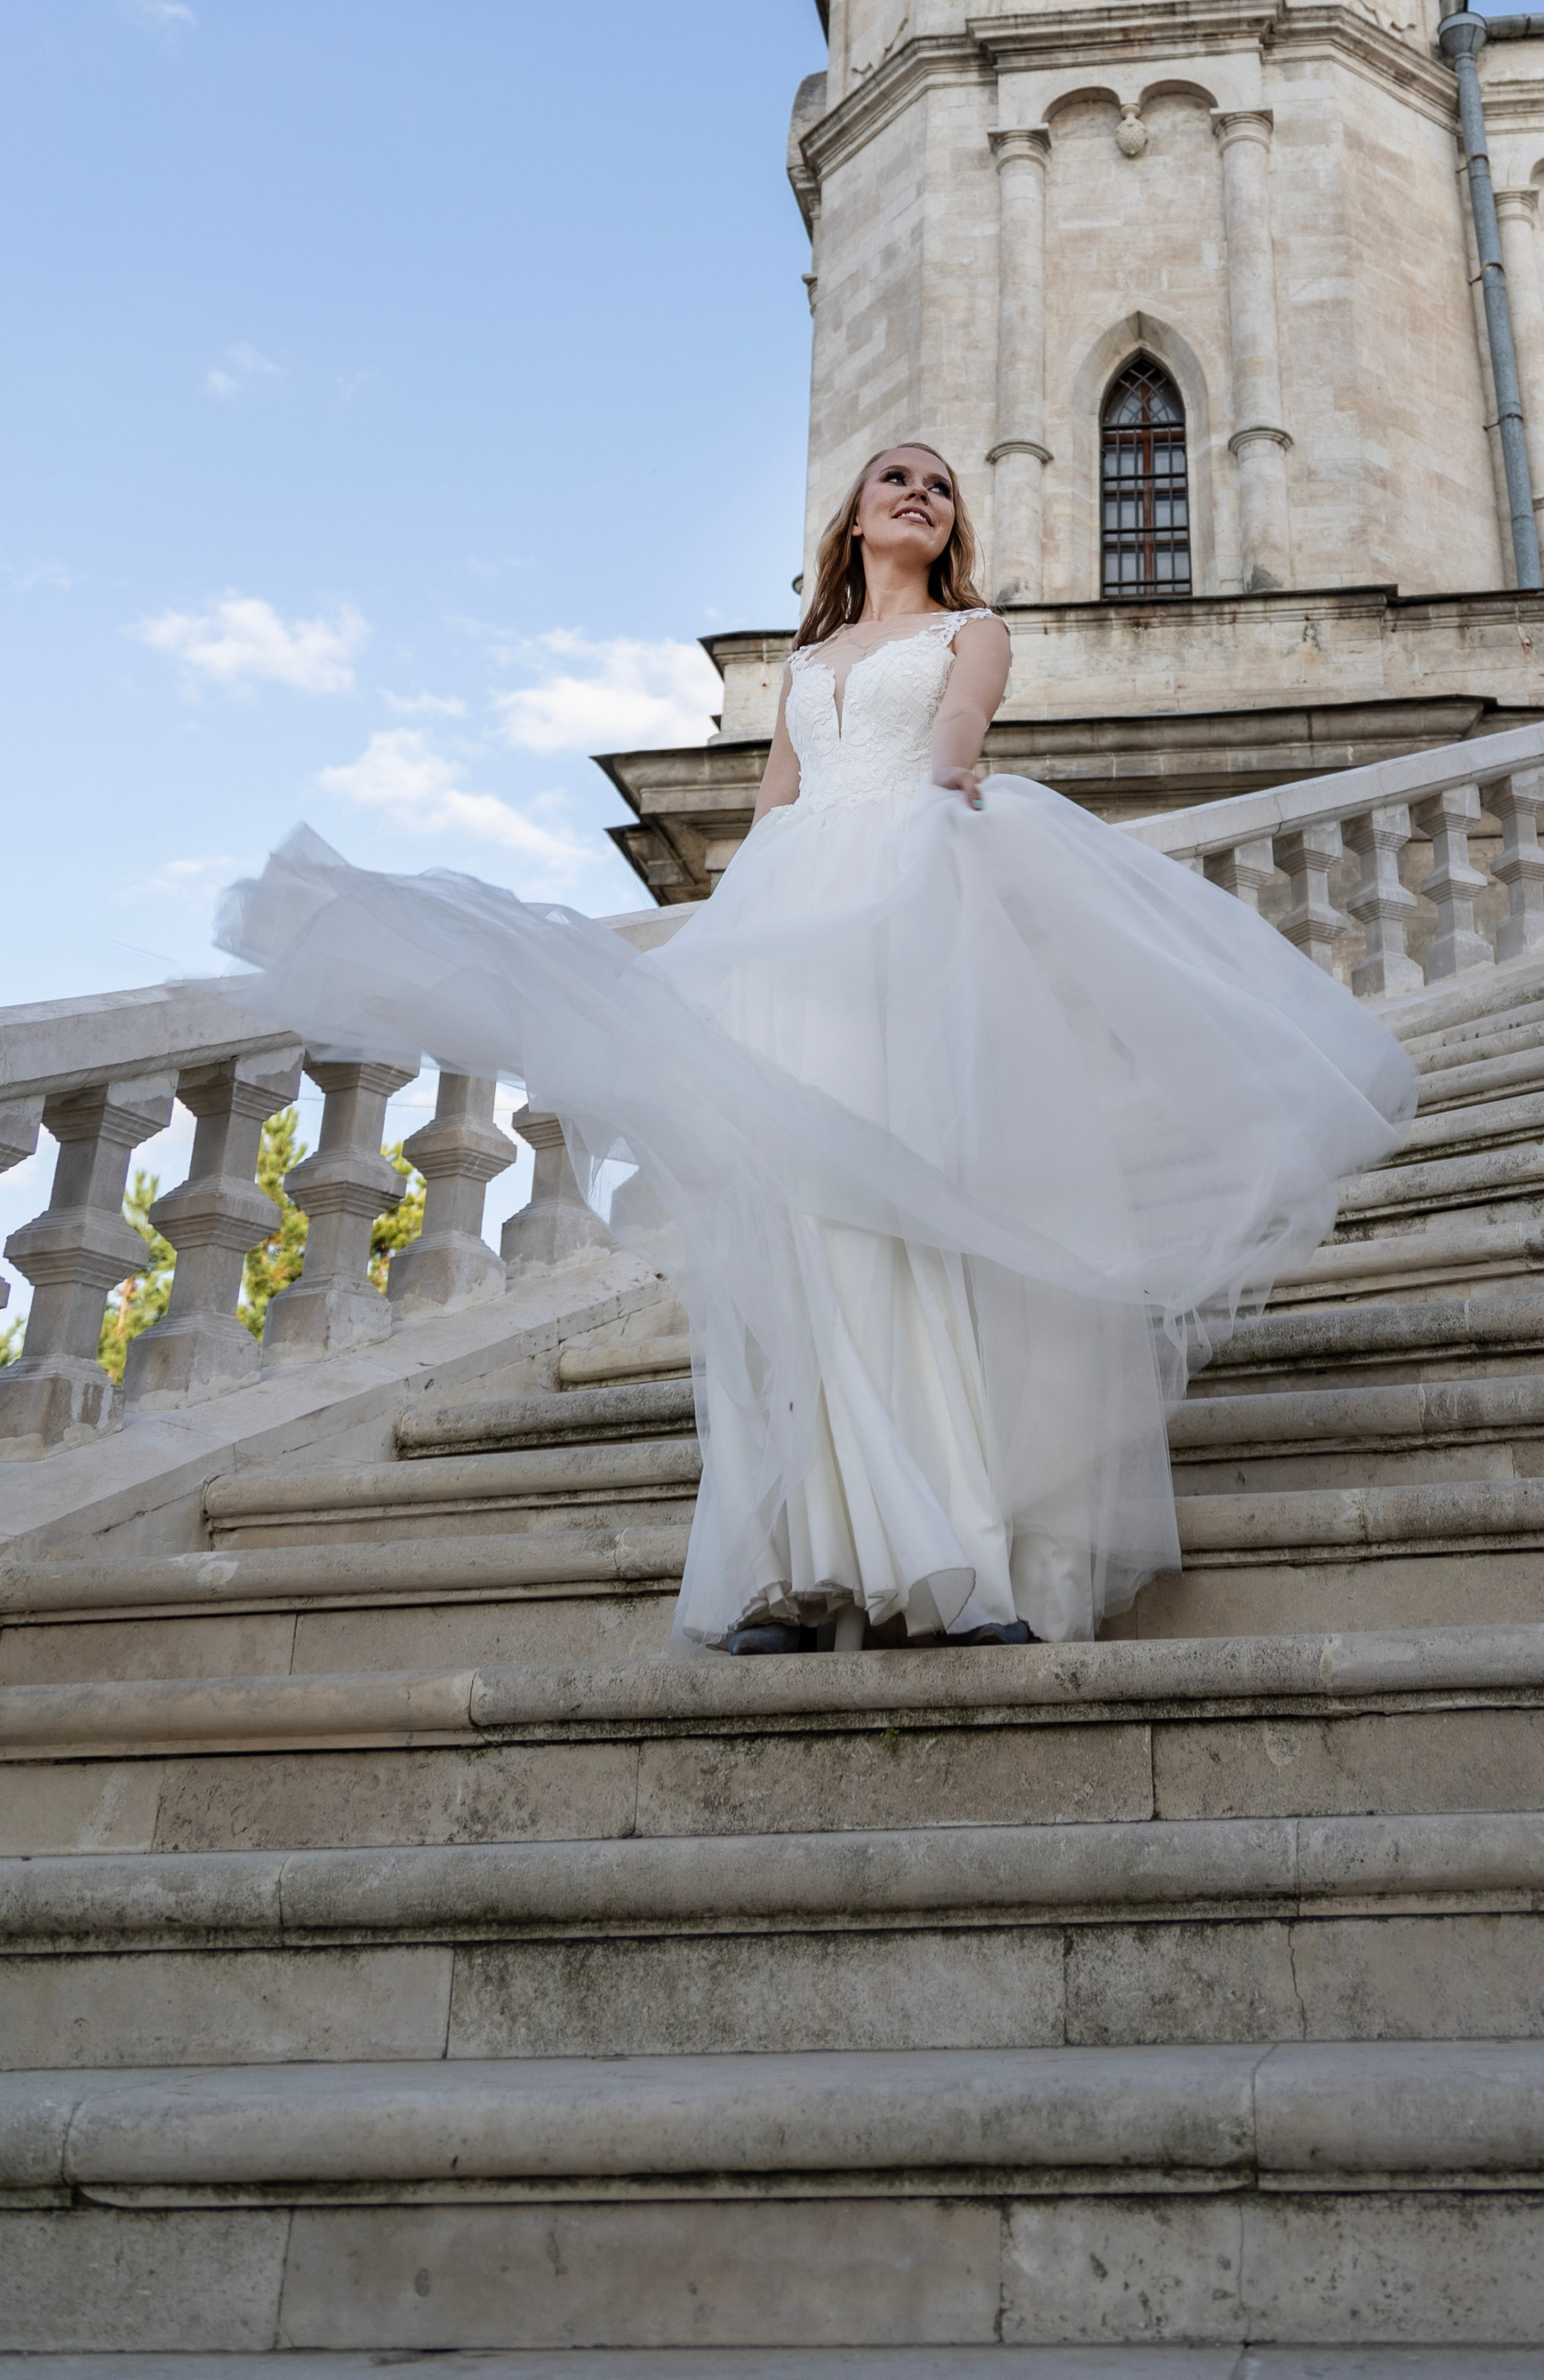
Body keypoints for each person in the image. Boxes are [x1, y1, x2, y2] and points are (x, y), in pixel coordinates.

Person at [220, 441, 1416, 1654]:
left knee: (905, 1224)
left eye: (941, 489)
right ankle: (793, 1569)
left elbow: (955, 738)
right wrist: (729, 960)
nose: (918, 494)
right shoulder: (802, 667)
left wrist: (944, 798)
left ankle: (953, 1564)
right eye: (895, 478)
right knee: (799, 1237)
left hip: (907, 904)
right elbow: (773, 812)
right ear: (851, 519)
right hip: (799, 927)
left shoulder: (974, 633)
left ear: (951, 531)